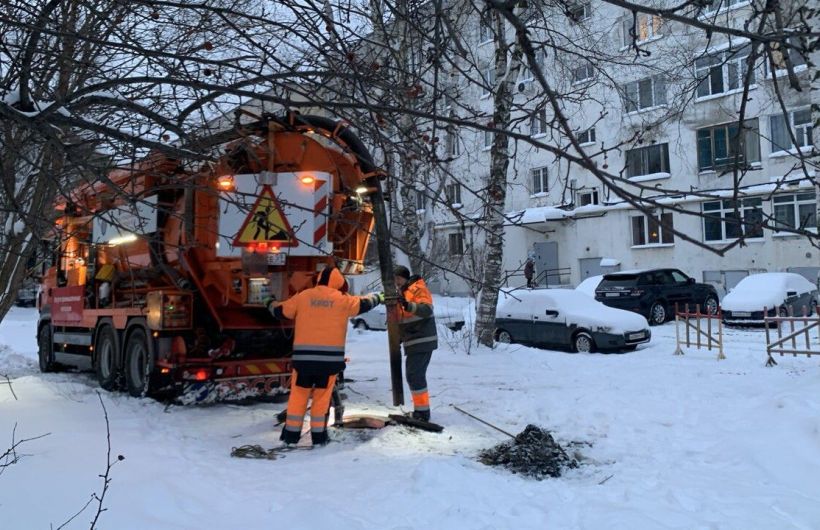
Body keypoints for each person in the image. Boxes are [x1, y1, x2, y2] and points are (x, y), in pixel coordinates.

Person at [266, 265, 382, 446]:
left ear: (319, 279)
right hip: (329, 362)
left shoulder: (304, 296)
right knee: (321, 398)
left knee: (298, 396)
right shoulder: (343, 300)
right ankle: (319, 437)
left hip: (303, 361)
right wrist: (379, 297)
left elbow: (281, 312)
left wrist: (268, 301)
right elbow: (364, 304)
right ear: (339, 283)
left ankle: (291, 436)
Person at [394, 265, 438, 422]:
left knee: (415, 375)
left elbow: (426, 309)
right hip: (415, 341)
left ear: (405, 278)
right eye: (395, 279)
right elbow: (404, 319)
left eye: (398, 278)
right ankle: (421, 411)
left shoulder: (417, 288)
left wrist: (407, 305)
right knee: (414, 375)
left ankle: (422, 413)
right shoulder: (403, 292)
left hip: (422, 339)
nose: (396, 282)